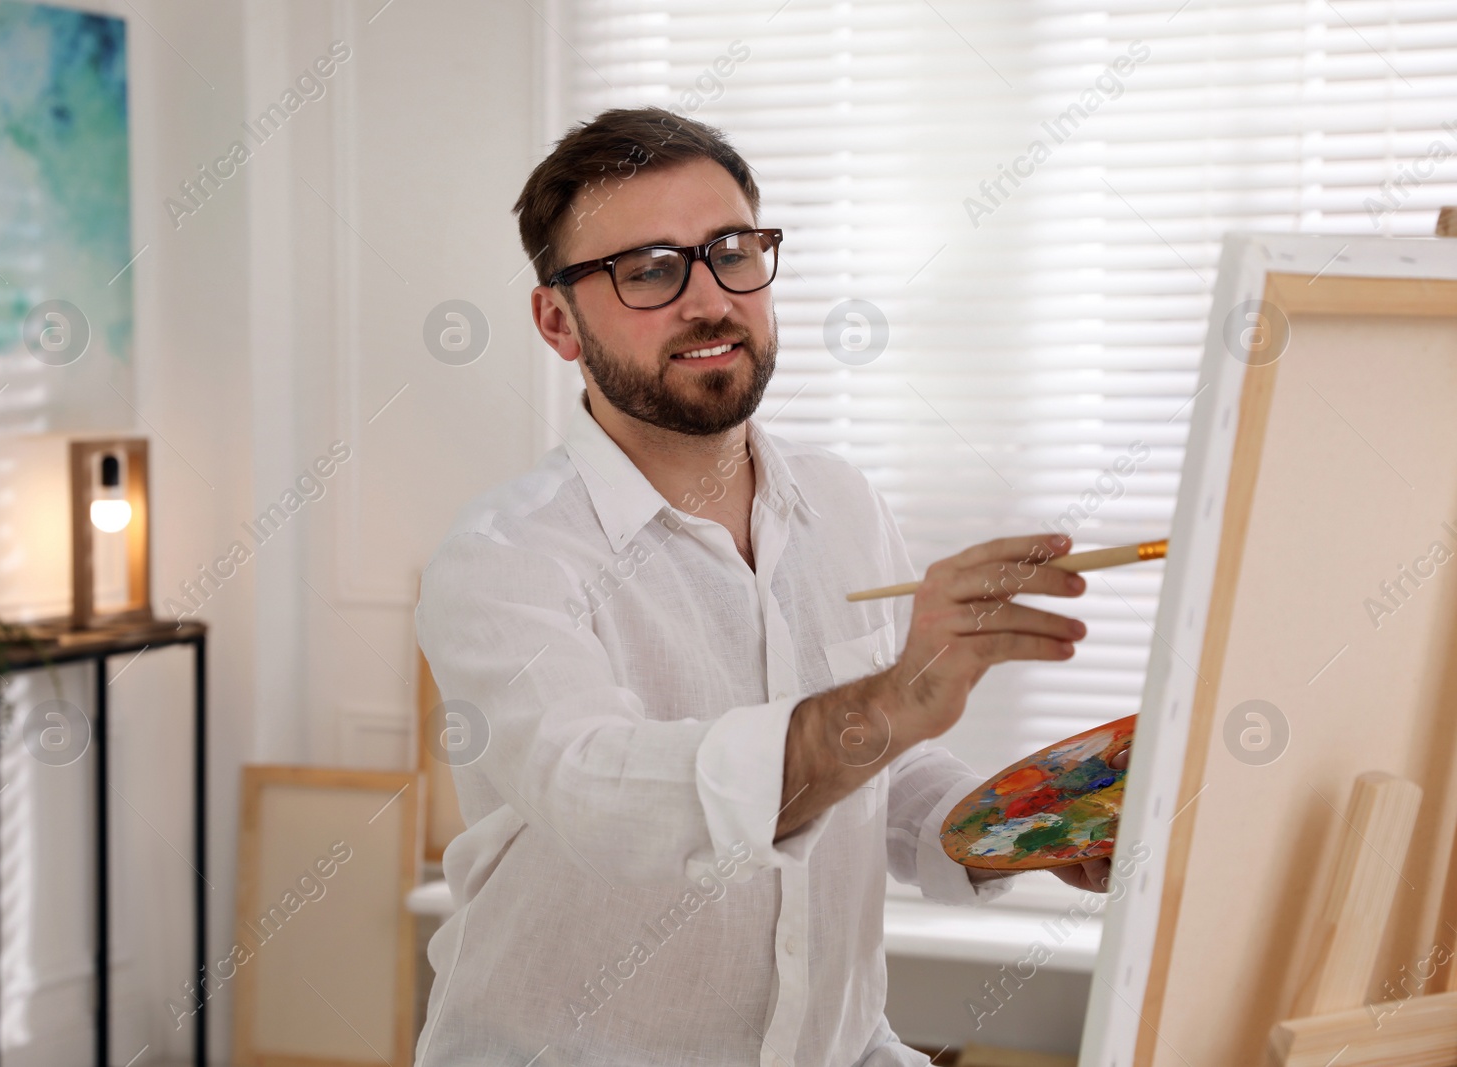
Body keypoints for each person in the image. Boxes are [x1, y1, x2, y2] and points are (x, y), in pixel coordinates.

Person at [414, 106, 1119, 1066]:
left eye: (731, 250)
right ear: (557, 320)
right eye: (649, 269)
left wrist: (1026, 827)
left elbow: (877, 769)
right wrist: (888, 700)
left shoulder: (845, 503)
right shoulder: (504, 557)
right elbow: (606, 798)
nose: (709, 300)